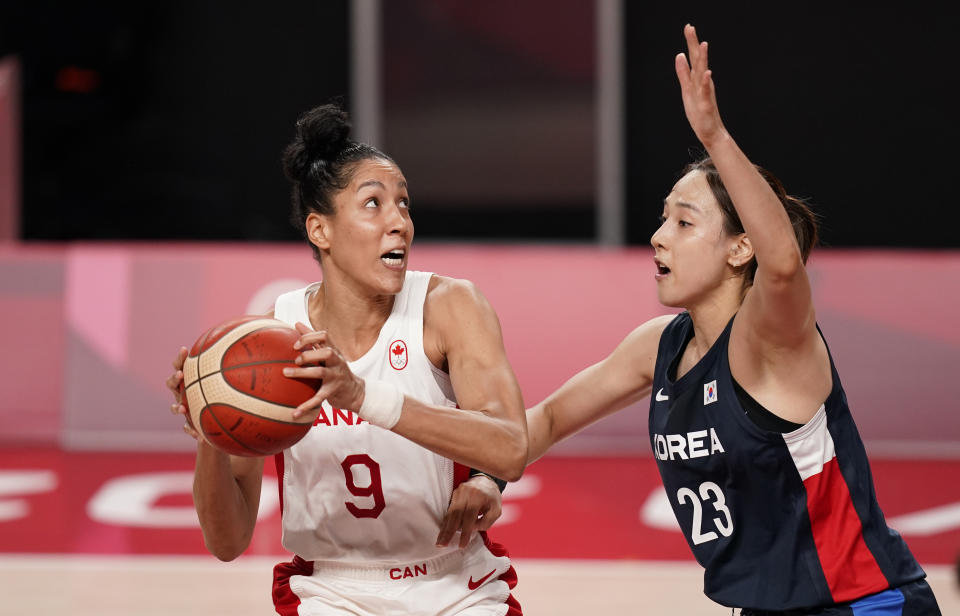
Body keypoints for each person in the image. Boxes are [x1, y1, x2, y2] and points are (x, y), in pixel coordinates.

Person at [526, 24, 941, 615]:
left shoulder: (771, 340)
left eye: (684, 223)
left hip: (861, 604)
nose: (657, 237)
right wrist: (482, 475)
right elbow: (545, 420)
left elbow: (782, 268)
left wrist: (715, 136)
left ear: (739, 249)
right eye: (662, 219)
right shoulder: (659, 348)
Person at [166, 103, 526, 615]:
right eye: (374, 204)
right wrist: (209, 429)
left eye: (404, 204)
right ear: (321, 230)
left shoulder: (449, 306)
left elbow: (511, 448)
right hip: (331, 590)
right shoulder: (273, 343)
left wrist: (361, 396)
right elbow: (227, 543)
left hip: (455, 585)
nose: (399, 221)